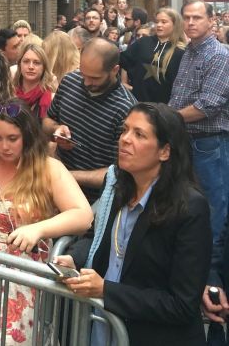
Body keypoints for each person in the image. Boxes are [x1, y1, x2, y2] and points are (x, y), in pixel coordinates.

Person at [56, 102, 211, 346]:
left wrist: (106, 291)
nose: (125, 140)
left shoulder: (190, 208)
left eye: (139, 134)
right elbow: (95, 237)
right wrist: (74, 258)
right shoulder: (119, 188)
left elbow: (182, 305)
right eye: (124, 130)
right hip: (103, 331)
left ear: (165, 151)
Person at [0, 99, 92, 345]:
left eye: (12, 138)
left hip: (23, 272)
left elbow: (83, 215)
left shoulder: (47, 168)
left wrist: (38, 228)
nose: (4, 146)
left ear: (28, 136)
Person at [43, 38, 136, 203]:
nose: (85, 82)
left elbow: (123, 172)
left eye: (94, 78)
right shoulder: (70, 81)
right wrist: (56, 130)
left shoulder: (126, 109)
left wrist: (67, 176)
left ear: (114, 70)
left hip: (97, 201)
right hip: (55, 190)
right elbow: (47, 121)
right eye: (83, 73)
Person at [168, 0, 229, 246]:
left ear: (211, 21)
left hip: (208, 144)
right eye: (187, 17)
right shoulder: (189, 52)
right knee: (185, 202)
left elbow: (208, 105)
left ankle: (211, 274)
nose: (191, 22)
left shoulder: (219, 55)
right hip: (184, 140)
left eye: (198, 17)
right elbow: (179, 97)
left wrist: (167, 117)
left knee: (213, 205)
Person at [120, 7, 186, 103]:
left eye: (164, 22)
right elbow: (122, 61)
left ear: (175, 25)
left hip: (164, 107)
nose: (159, 25)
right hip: (138, 103)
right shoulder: (143, 42)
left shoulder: (181, 51)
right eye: (157, 21)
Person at [13, 43, 56, 120]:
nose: (31, 67)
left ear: (44, 67)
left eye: (36, 63)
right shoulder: (9, 93)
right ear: (19, 65)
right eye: (26, 61)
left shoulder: (52, 99)